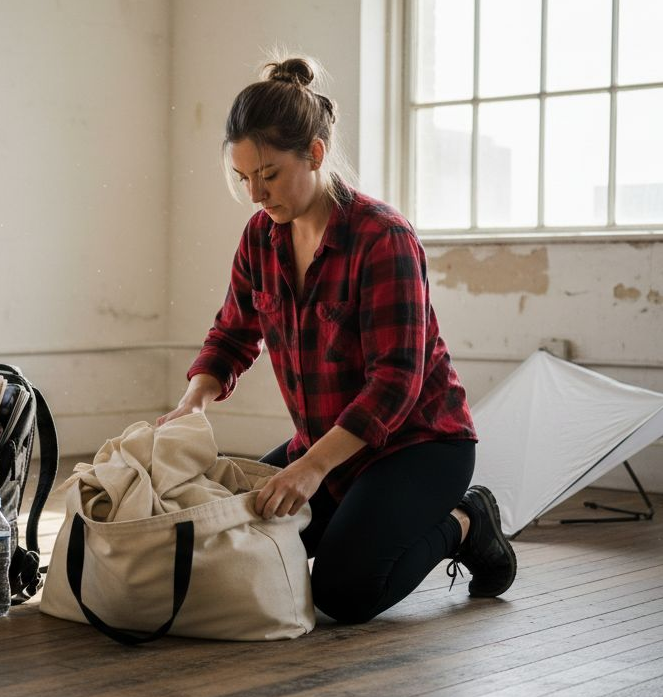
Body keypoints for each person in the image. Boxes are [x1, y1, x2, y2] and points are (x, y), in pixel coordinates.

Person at [157, 56, 516, 624]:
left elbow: (396, 382)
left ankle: (467, 522)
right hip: (327, 446)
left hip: (418, 446)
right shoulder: (261, 237)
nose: (255, 193)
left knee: (342, 592)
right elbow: (232, 333)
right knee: (233, 548)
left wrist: (309, 469)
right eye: (243, 176)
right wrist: (190, 404)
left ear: (316, 155)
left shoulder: (383, 237)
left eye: (269, 174)